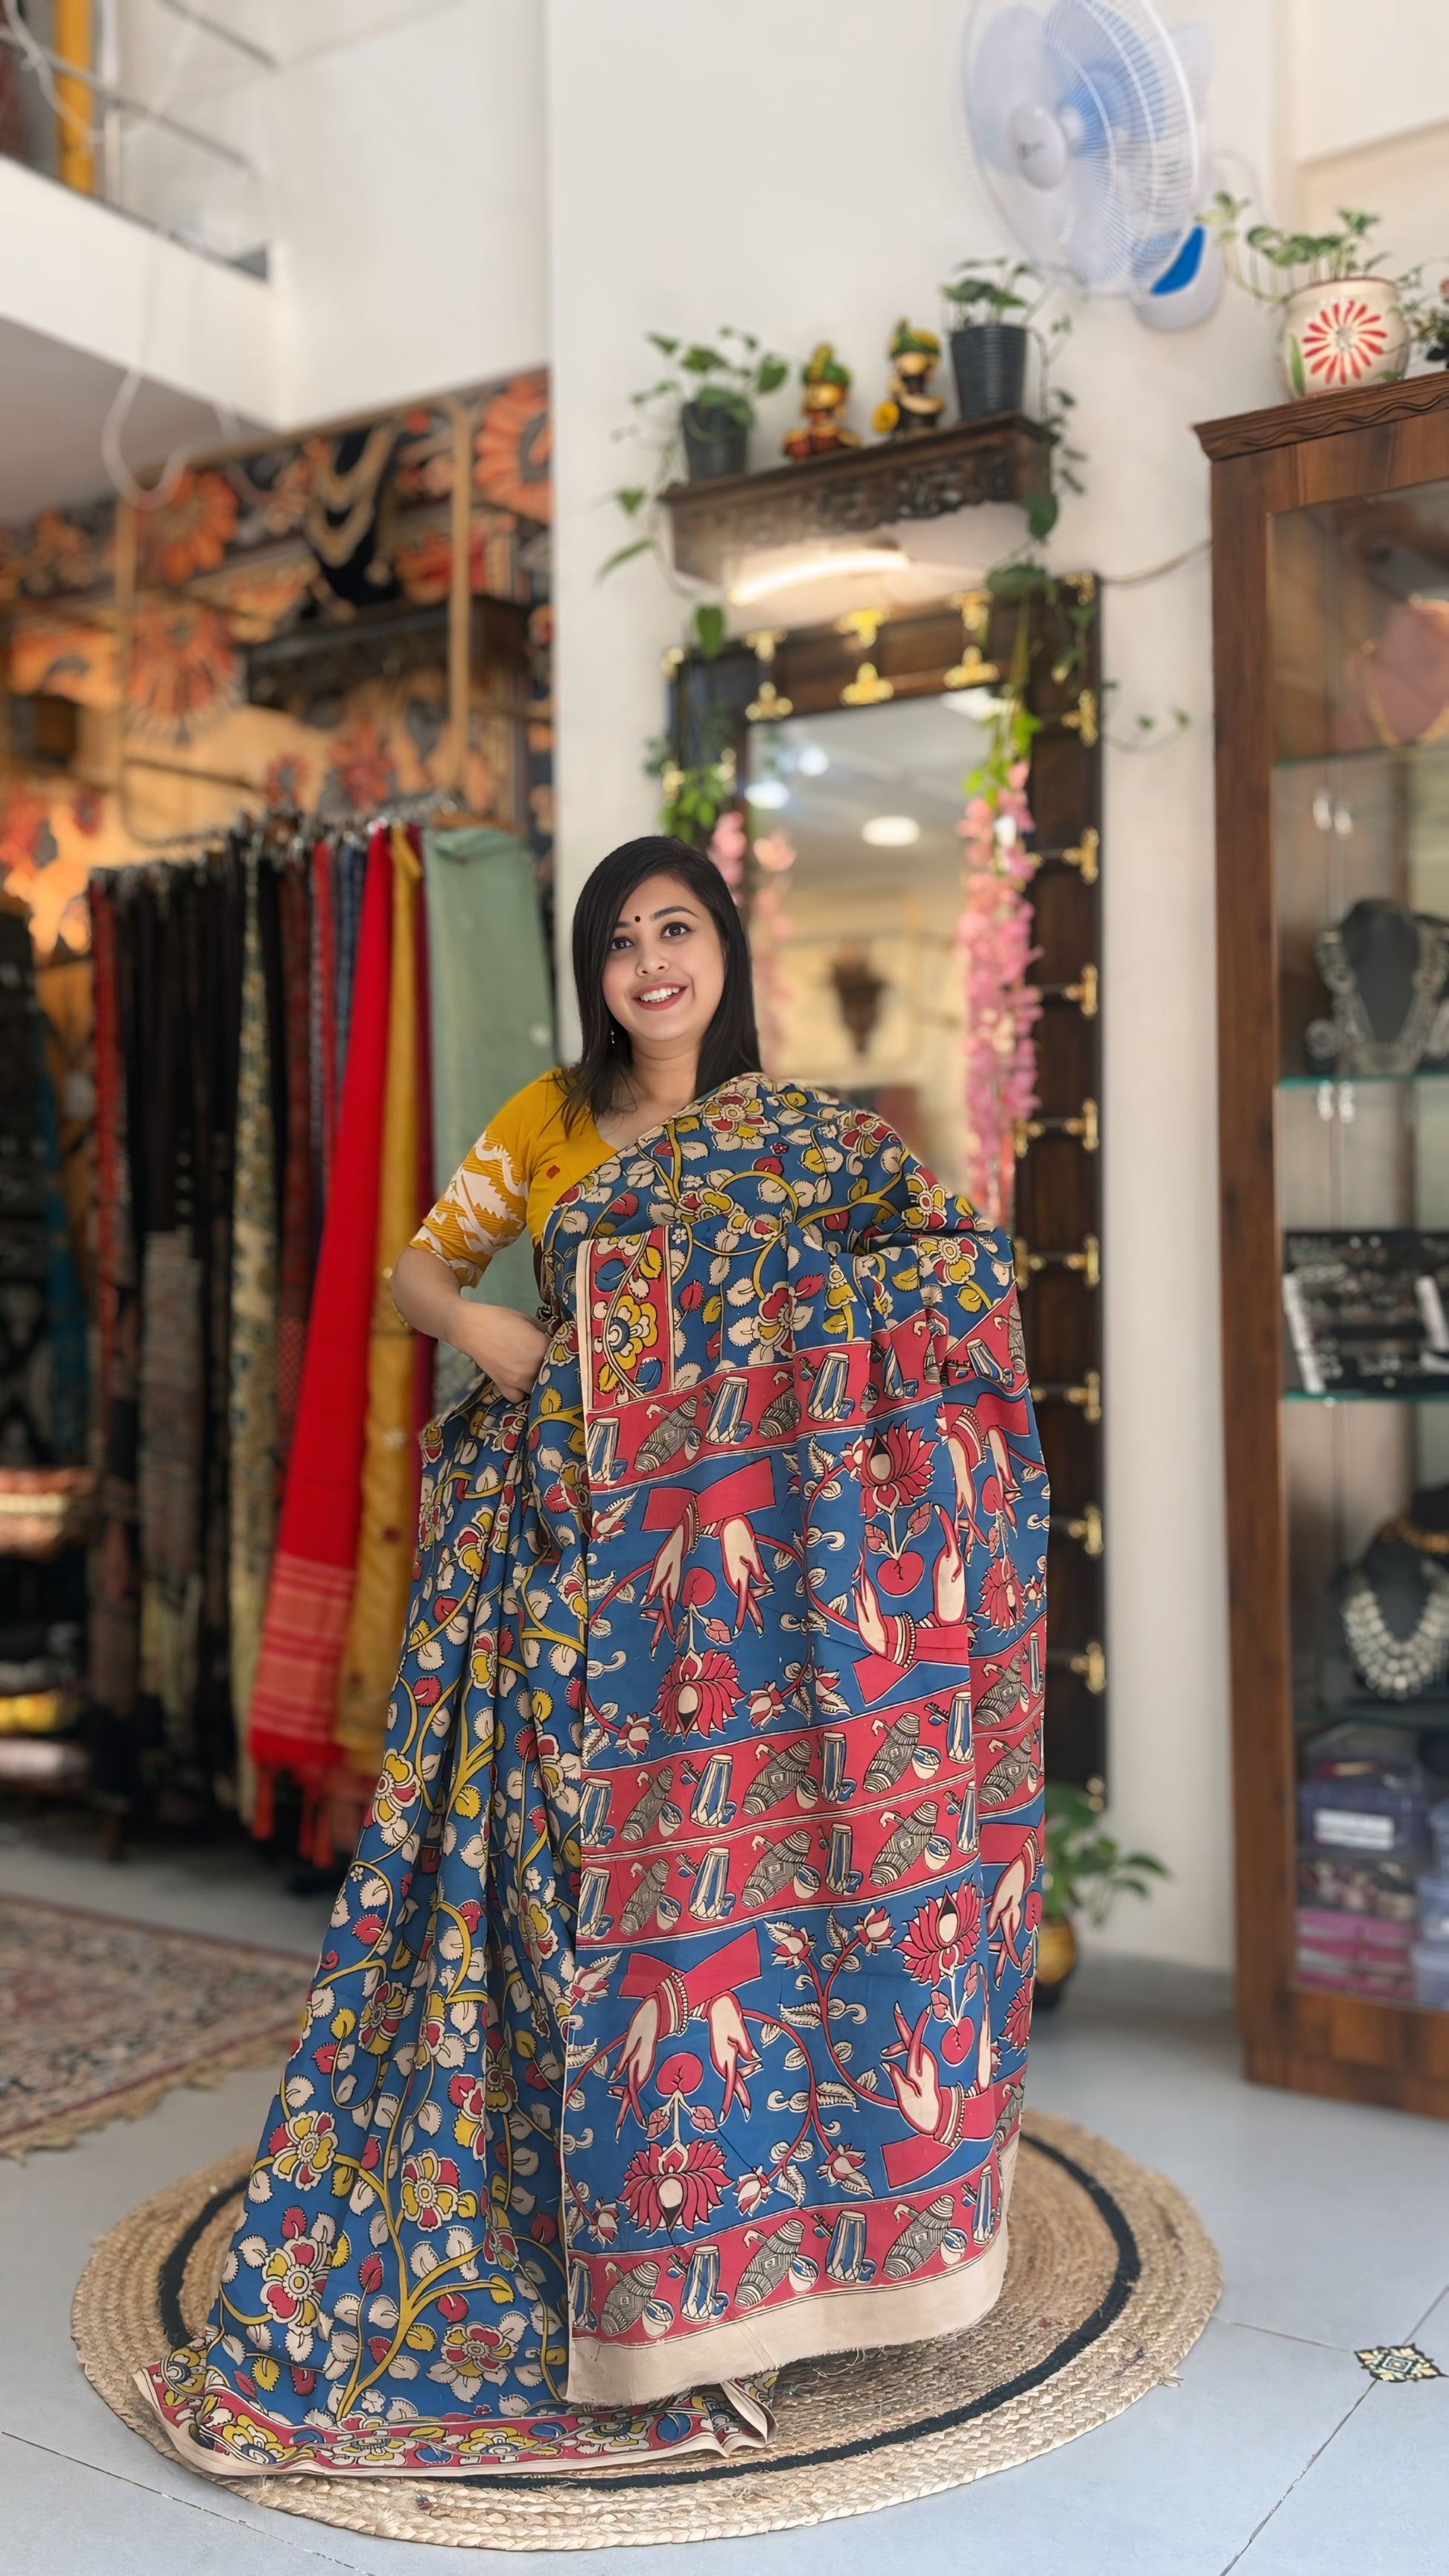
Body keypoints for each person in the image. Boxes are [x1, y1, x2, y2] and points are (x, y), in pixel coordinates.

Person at [141, 835, 1047, 2479]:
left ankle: (734, 2290)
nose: (649, 964)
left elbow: (934, 1287)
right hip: (559, 1578)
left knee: (727, 1936)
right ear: (592, 969)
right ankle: (590, 2278)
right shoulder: (544, 1128)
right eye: (619, 939)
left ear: (723, 951)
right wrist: (481, 1323)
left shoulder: (807, 1141)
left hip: (737, 1620)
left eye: (675, 928)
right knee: (567, 1911)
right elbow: (422, 1264)